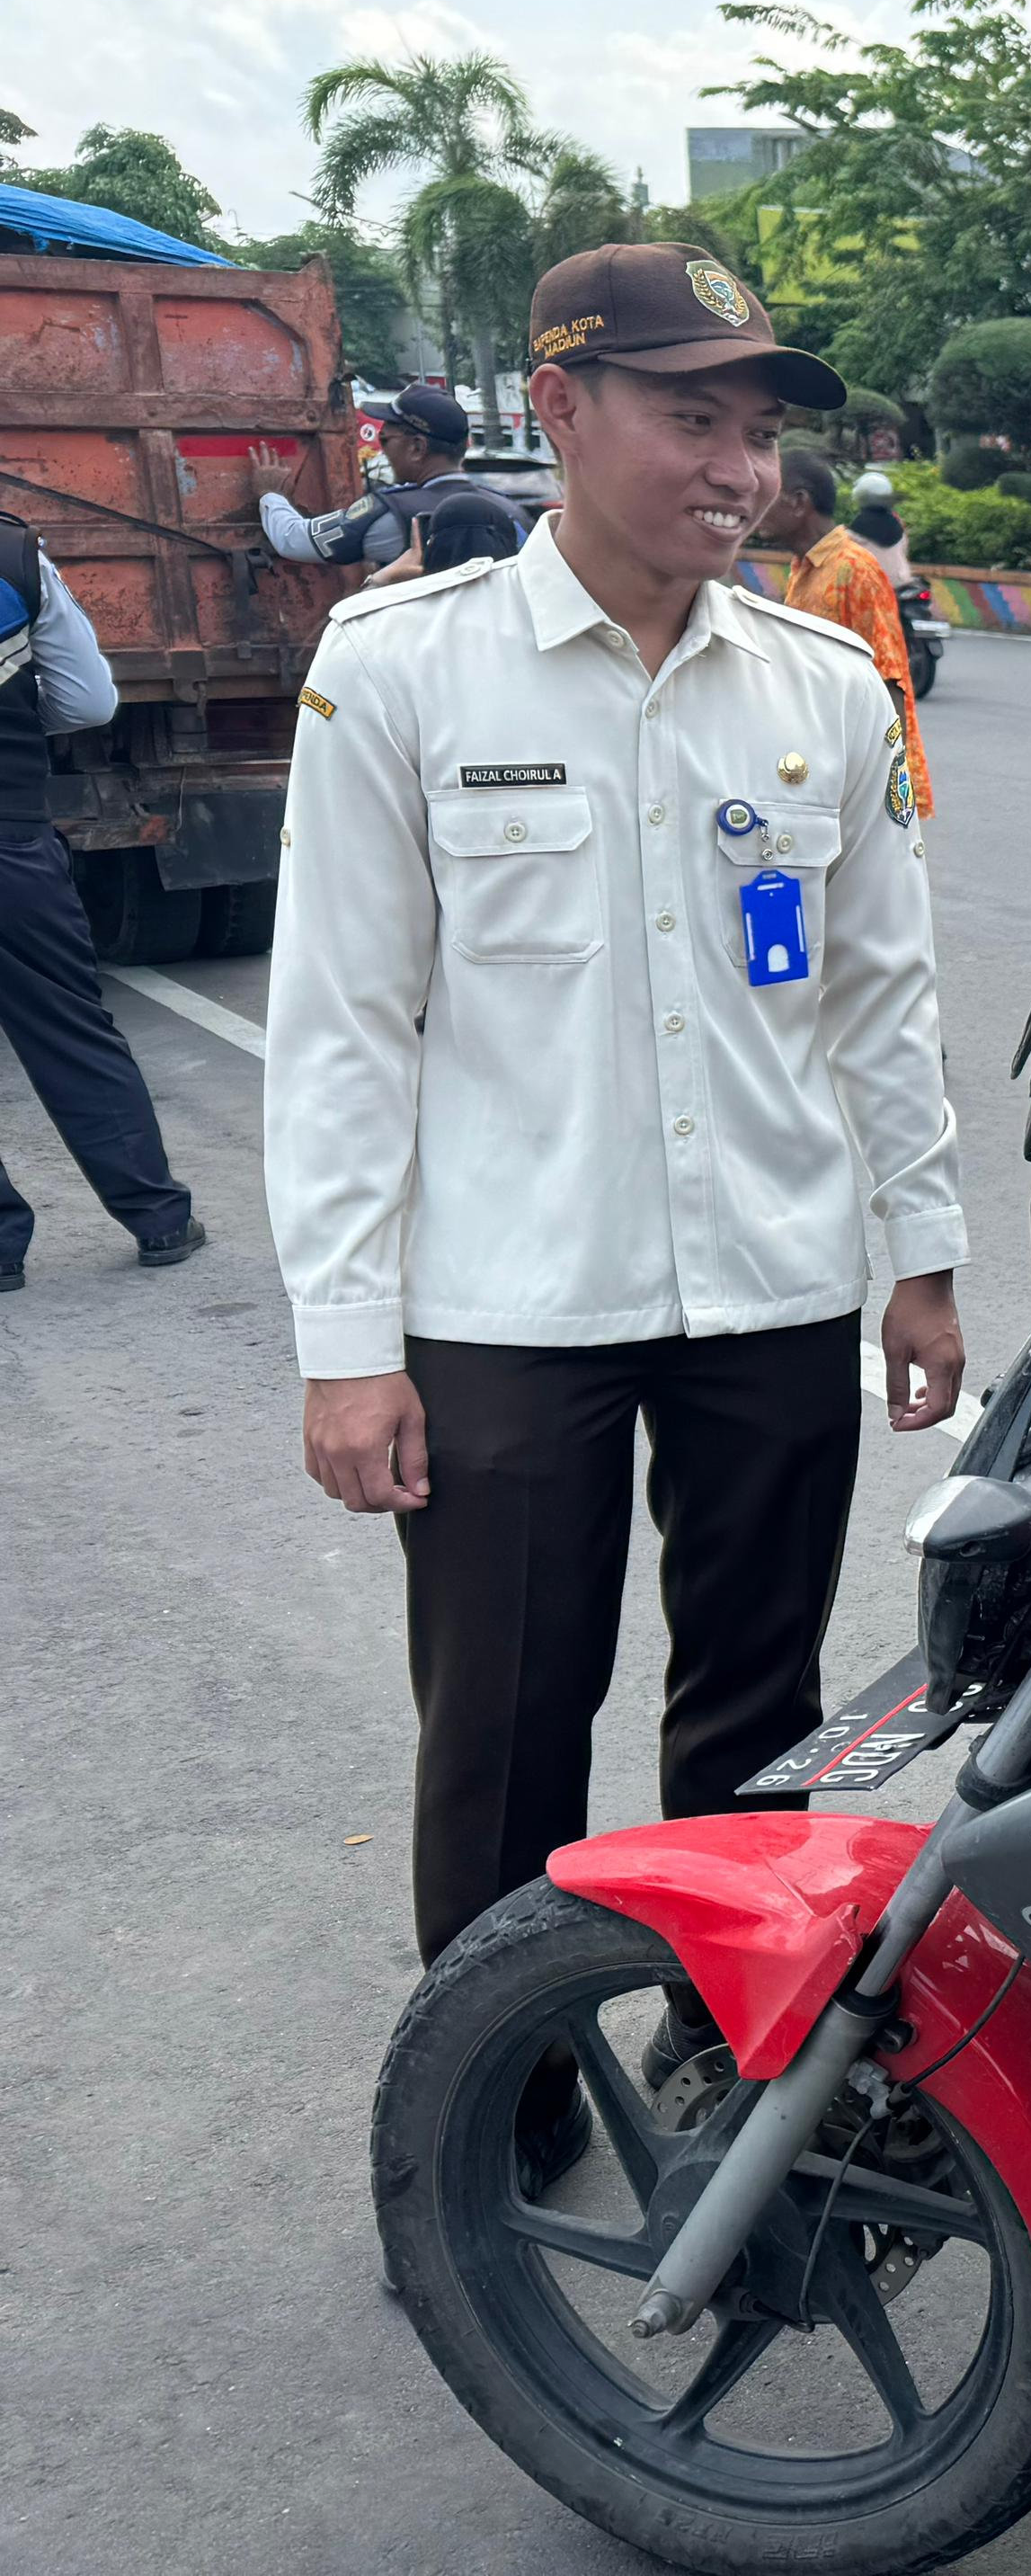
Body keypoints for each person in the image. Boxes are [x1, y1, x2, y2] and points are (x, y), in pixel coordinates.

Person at [264, 244, 964, 2181]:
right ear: (561, 410)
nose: (737, 468)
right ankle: (492, 2119)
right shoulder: (404, 669)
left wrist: (920, 1255)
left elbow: (880, 996)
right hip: (509, 1301)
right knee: (503, 1728)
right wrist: (347, 1347)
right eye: (690, 417)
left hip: (770, 1286)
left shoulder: (823, 686)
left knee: (755, 1720)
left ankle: (737, 2065)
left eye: (757, 429)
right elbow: (342, 1026)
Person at [0, 513, 205, 1291]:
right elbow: (87, 702)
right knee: (70, 1032)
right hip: (10, 836)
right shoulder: (14, 557)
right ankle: (157, 1218)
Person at [757, 449, 929, 822]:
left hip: (858, 777)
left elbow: (889, 681)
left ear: (799, 502)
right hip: (819, 760)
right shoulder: (805, 567)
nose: (755, 504)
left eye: (767, 494)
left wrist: (886, 792)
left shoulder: (854, 569)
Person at [256, 382, 502, 575]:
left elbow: (294, 540)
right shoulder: (506, 507)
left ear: (417, 448)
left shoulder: (393, 512)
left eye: (384, 440)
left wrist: (271, 495)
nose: (382, 450)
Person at [846, 468, 915, 588]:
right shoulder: (898, 526)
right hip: (902, 583)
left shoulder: (854, 531)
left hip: (870, 587)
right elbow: (904, 551)